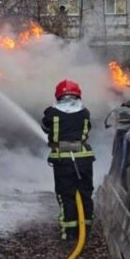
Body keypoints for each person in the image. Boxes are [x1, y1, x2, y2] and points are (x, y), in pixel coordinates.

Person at [41, 79, 94, 239]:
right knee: (85, 193)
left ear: (58, 95)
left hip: (63, 160)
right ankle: (86, 229)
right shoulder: (85, 112)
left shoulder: (51, 112)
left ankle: (70, 233)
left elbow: (45, 127)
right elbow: (87, 129)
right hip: (84, 158)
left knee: (67, 195)